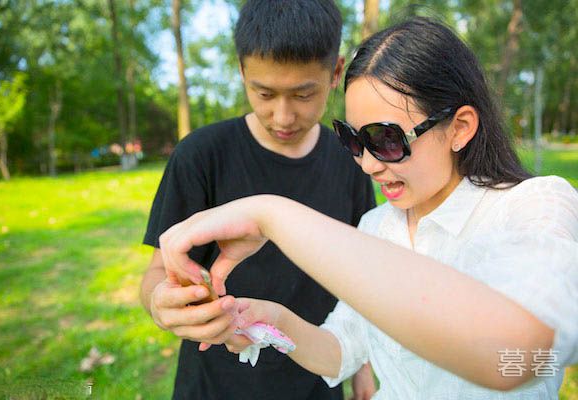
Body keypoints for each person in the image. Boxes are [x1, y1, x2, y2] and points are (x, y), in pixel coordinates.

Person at [159, 17, 578, 399]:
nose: (368, 164)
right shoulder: (377, 226)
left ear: (460, 128)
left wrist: (273, 214)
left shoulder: (533, 207)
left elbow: (518, 355)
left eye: (387, 139)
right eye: (355, 140)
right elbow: (341, 351)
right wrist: (267, 320)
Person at [140, 1, 378, 399]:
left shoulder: (352, 160)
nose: (282, 116)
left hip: (317, 378)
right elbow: (154, 275)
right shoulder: (201, 155)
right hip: (214, 384)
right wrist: (159, 302)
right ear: (242, 71)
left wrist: (363, 370)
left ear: (335, 72)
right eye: (264, 93)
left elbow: (361, 281)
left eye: (303, 94)